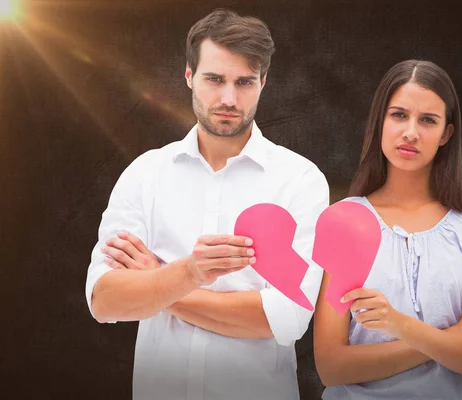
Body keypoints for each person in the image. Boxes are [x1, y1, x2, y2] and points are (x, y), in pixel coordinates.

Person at [85, 9, 329, 400]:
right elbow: (104, 300)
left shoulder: (300, 182)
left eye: (245, 82)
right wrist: (189, 272)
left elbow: (287, 318)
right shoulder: (145, 174)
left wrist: (159, 283)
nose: (229, 98)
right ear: (188, 76)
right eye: (214, 79)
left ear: (263, 82)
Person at [313, 60, 462, 399]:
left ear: (446, 134)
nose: (411, 132)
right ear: (380, 122)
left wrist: (399, 325)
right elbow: (332, 366)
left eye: (428, 120)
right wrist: (459, 333)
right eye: (399, 115)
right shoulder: (344, 223)